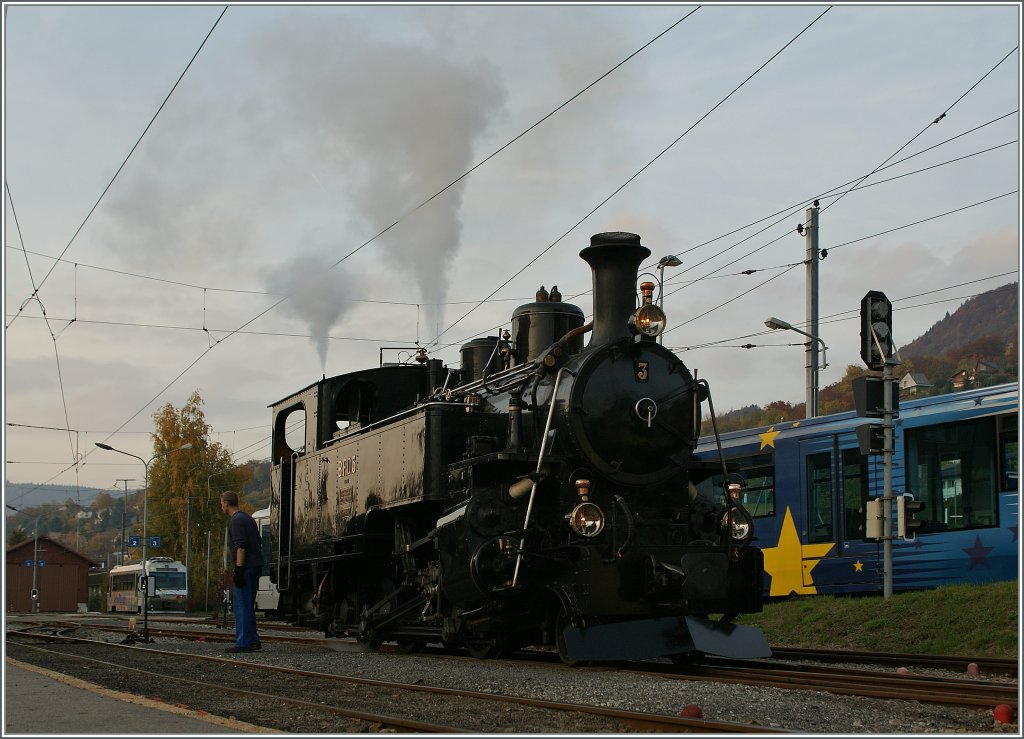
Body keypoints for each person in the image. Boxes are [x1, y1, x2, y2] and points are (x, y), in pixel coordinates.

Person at [220, 490, 264, 653]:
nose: (221, 507)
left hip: (245, 567)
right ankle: (253, 640)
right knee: (249, 605)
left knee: (242, 605)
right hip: (256, 565)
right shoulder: (248, 519)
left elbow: (240, 546)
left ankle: (243, 642)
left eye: (221, 503)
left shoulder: (236, 521)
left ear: (226, 503)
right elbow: (258, 542)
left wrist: (238, 569)